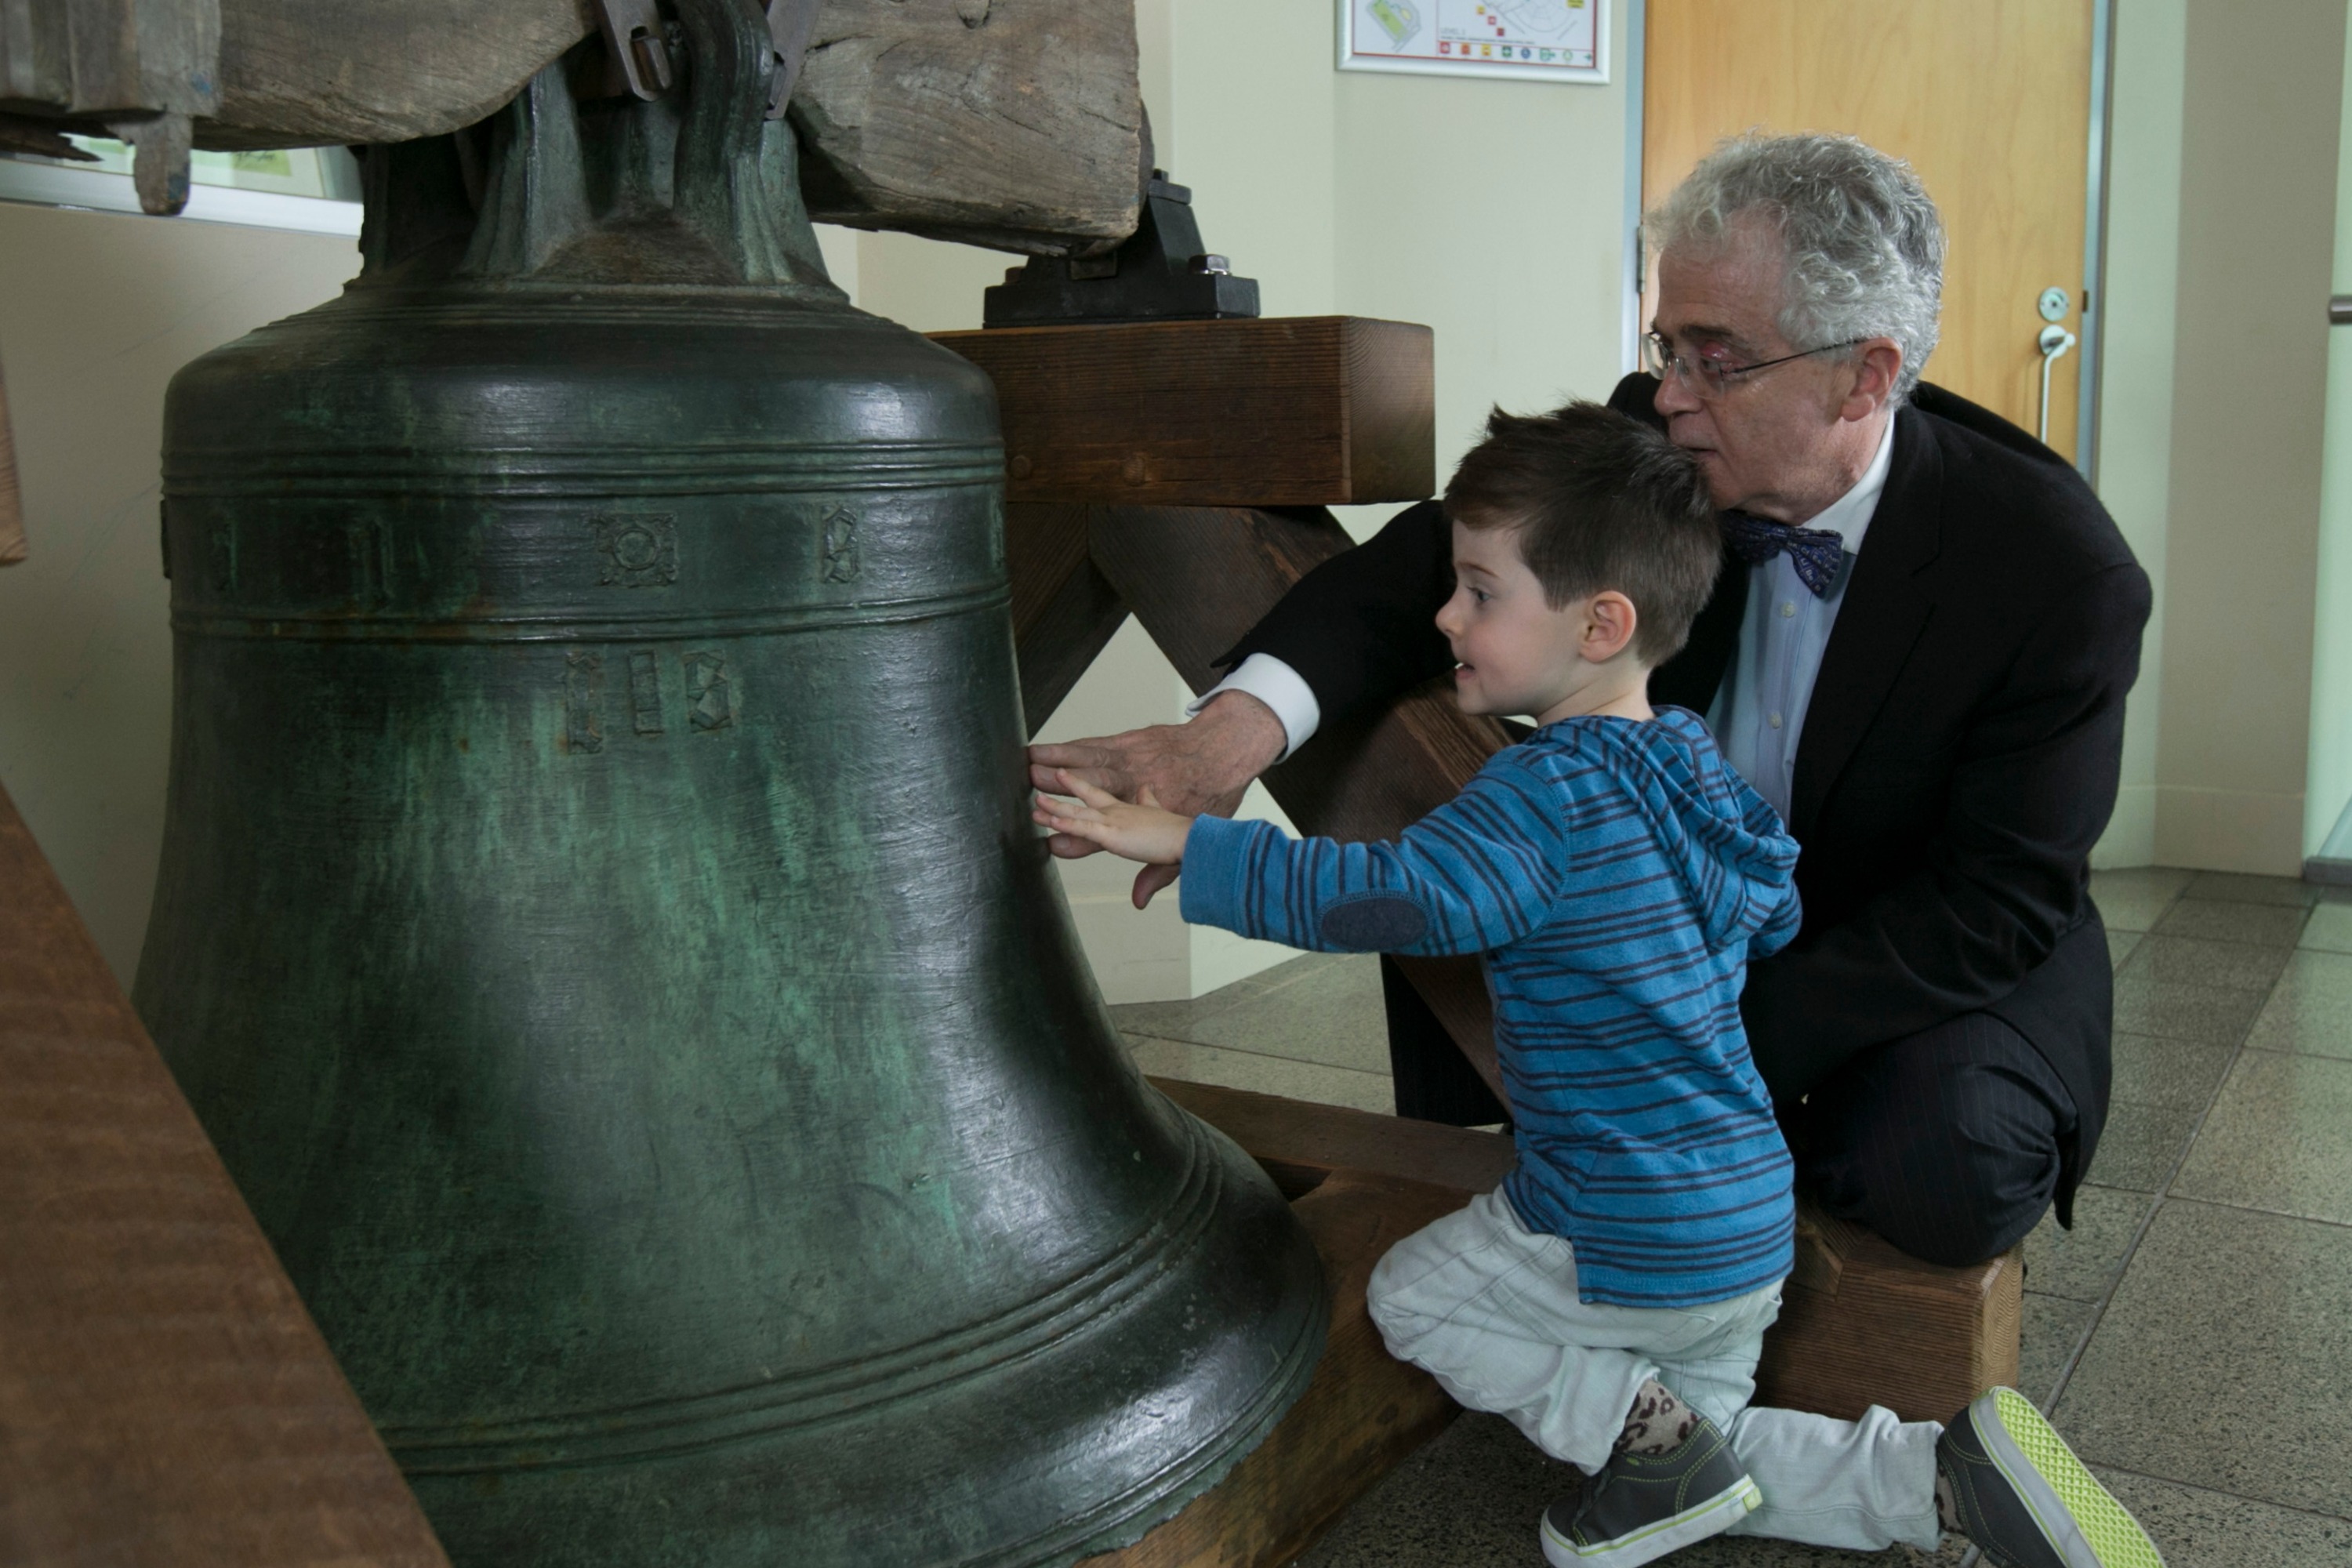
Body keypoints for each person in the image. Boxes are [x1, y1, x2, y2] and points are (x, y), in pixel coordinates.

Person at [1034, 403, 2161, 1568]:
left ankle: (1637, 1435)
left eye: (1480, 593)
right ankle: (1935, 1479)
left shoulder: (1539, 797)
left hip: (1616, 1219)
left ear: (1600, 622)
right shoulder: (1695, 763)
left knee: (1416, 1301)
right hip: (1745, 1220)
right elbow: (1773, 903)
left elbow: (1383, 895)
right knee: (1714, 1448)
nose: (1446, 616)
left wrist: (1189, 847)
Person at [1029, 132, 2152, 1270]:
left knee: (1945, 1167)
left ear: (1865, 374)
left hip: (1915, 935)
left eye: (1718, 359)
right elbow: (1424, 563)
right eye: (1665, 345)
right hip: (1668, 904)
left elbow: (1992, 902)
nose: (1668, 397)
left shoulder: (2054, 572)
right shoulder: (1662, 440)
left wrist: (1692, 1042)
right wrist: (1230, 733)